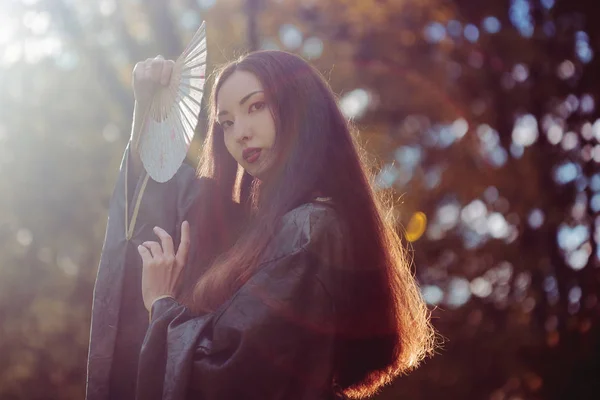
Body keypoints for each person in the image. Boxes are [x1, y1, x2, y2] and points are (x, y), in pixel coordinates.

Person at [86, 50, 435, 400]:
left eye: (255, 106)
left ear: (300, 108)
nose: (240, 133)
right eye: (226, 122)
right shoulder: (263, 232)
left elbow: (233, 372)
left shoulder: (311, 228)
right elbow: (155, 195)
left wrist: (161, 304)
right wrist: (146, 108)